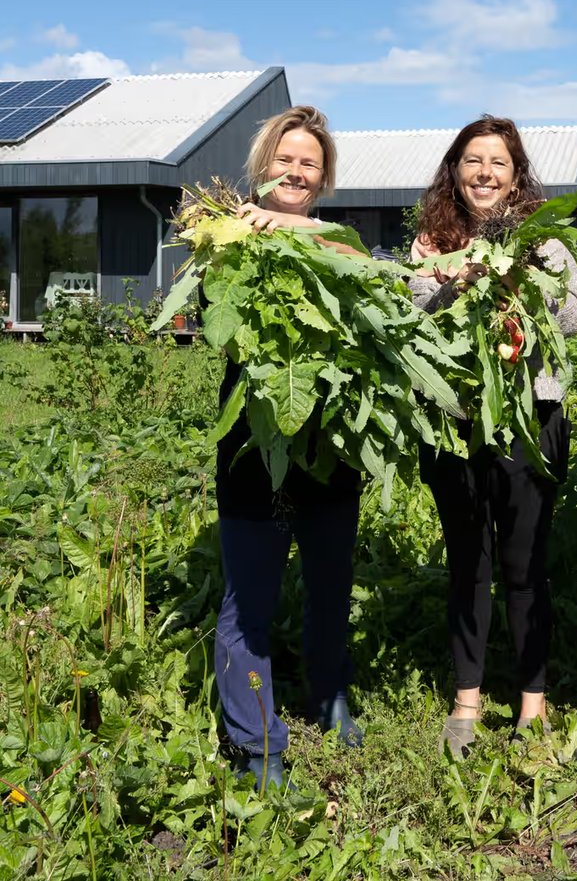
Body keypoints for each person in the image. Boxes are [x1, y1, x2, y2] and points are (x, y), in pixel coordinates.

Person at [407, 115, 577, 756]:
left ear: (516, 177)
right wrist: (453, 281)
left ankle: (532, 706)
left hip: (528, 420)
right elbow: (412, 318)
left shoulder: (545, 243)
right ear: (454, 173)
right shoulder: (432, 242)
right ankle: (467, 701)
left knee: (525, 565)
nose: (485, 172)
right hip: (455, 423)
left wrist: (513, 278)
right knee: (468, 562)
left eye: (498, 163)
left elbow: (574, 315)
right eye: (473, 161)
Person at [214, 106, 364, 790]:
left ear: (323, 176)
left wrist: (295, 228)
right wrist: (258, 225)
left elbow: (365, 267)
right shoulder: (225, 226)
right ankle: (257, 742)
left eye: (309, 162)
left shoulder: (337, 238)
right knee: (251, 597)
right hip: (255, 442)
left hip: (329, 438)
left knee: (331, 585)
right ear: (263, 163)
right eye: (285, 157)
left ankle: (327, 692)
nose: (296, 170)